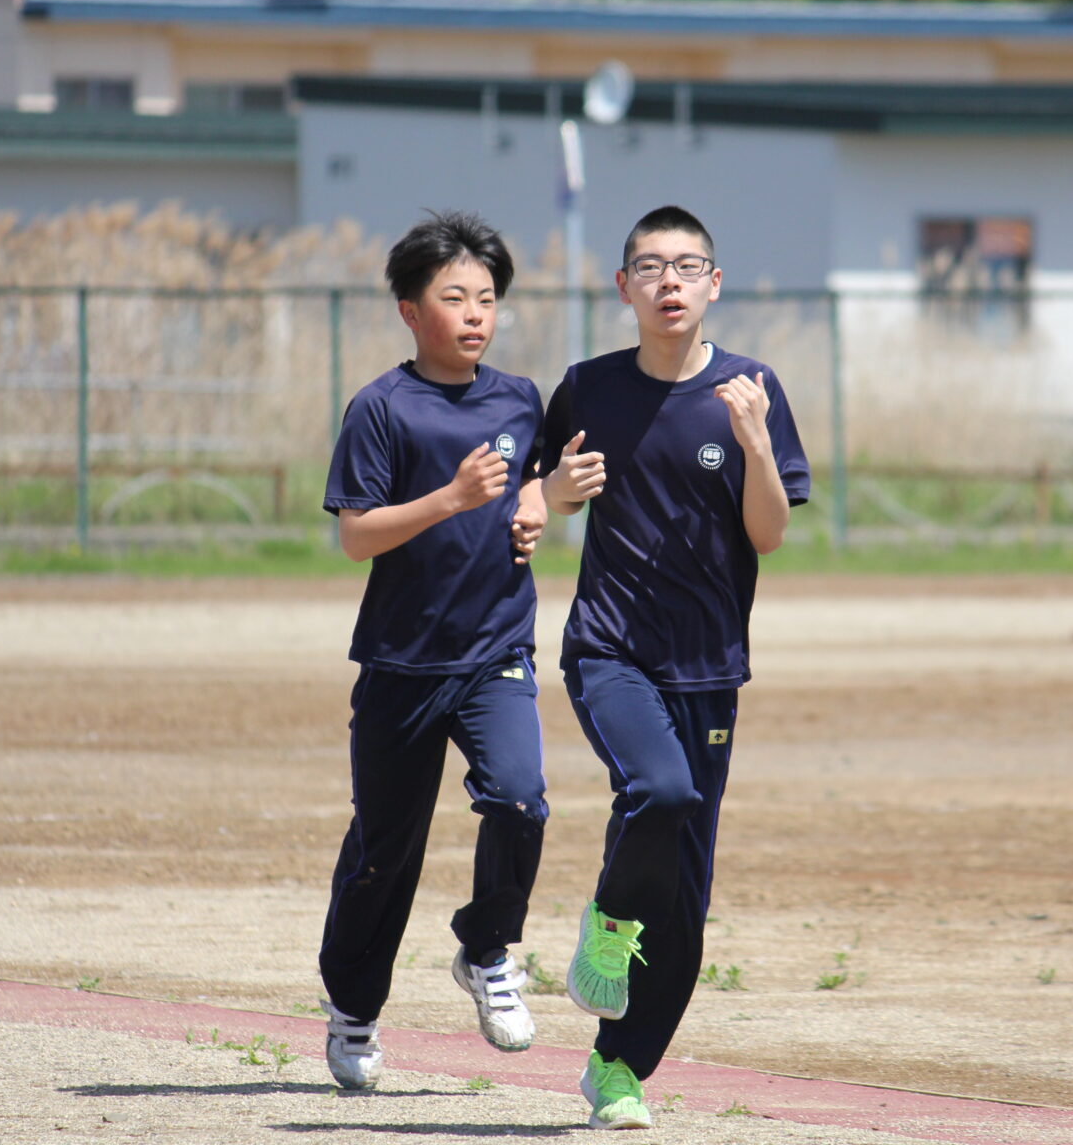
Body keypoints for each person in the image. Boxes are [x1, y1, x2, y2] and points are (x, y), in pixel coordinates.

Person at [539, 205, 810, 1129]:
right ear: (624, 288)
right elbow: (538, 509)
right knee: (660, 790)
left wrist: (758, 445)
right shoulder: (586, 389)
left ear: (713, 285)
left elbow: (768, 533)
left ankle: (618, 1068)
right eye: (650, 267)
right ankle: (608, 925)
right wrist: (551, 495)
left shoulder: (750, 388)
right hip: (610, 649)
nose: (669, 283)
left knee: (687, 908)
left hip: (710, 666)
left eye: (686, 266)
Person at [317, 209, 549, 1091]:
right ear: (412, 311)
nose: (475, 313)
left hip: (495, 652)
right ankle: (354, 1010)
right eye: (454, 297)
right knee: (385, 852)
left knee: (521, 800)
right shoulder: (380, 408)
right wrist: (450, 499)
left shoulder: (520, 398)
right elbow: (356, 537)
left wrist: (541, 498)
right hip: (401, 665)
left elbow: (543, 478)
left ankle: (487, 947)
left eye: (487, 297)